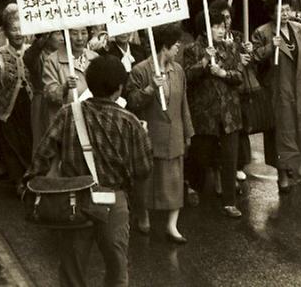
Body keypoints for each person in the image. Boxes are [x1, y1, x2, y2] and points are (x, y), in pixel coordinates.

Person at [26, 55, 153, 287]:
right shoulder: (130, 121)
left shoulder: (67, 113)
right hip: (114, 200)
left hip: (75, 199)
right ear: (119, 89)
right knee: (117, 268)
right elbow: (144, 168)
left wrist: (30, 181)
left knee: (72, 269)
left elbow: (43, 154)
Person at [126, 24, 193, 243]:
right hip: (151, 132)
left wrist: (188, 130)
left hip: (174, 132)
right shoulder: (141, 70)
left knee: (175, 179)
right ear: (164, 46)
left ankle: (172, 225)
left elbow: (183, 103)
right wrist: (150, 89)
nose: (178, 49)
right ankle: (143, 214)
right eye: (175, 45)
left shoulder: (178, 70)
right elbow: (132, 102)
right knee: (147, 180)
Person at [251, 0, 301, 193]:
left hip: (298, 87)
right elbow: (254, 59)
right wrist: (272, 47)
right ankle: (282, 176)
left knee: (299, 129)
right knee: (281, 134)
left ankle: (292, 166)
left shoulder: (300, 30)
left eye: (288, 9)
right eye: (281, 10)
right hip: (277, 91)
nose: (286, 13)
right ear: (272, 13)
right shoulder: (262, 33)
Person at [183, 10, 244, 218]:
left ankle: (229, 202)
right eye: (215, 26)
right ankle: (192, 187)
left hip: (229, 113)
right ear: (205, 28)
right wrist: (204, 62)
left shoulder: (230, 47)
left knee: (230, 157)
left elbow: (239, 76)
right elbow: (187, 76)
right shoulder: (192, 49)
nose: (221, 30)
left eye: (222, 26)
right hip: (205, 114)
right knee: (200, 156)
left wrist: (223, 73)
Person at [0, 14, 33, 194]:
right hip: (7, 108)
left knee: (28, 142)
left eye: (21, 29)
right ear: (6, 32)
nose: (18, 33)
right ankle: (19, 181)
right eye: (14, 29)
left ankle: (28, 177)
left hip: (29, 106)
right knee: (11, 144)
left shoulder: (32, 52)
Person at [208, 0, 254, 183]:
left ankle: (238, 165)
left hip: (240, 92)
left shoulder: (238, 36)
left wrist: (250, 52)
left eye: (228, 18)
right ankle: (221, 173)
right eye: (222, 19)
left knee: (239, 131)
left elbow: (251, 62)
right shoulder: (212, 42)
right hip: (221, 94)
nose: (226, 23)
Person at [23, 31, 63, 151]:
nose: (61, 38)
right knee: (44, 141)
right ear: (47, 37)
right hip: (42, 102)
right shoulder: (38, 56)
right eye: (57, 34)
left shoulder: (65, 55)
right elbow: (28, 58)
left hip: (62, 100)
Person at [42, 28, 98, 113]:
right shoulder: (52, 61)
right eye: (74, 34)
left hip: (92, 114)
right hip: (67, 118)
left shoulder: (94, 57)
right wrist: (64, 87)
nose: (79, 38)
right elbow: (49, 95)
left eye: (83, 33)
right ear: (65, 35)